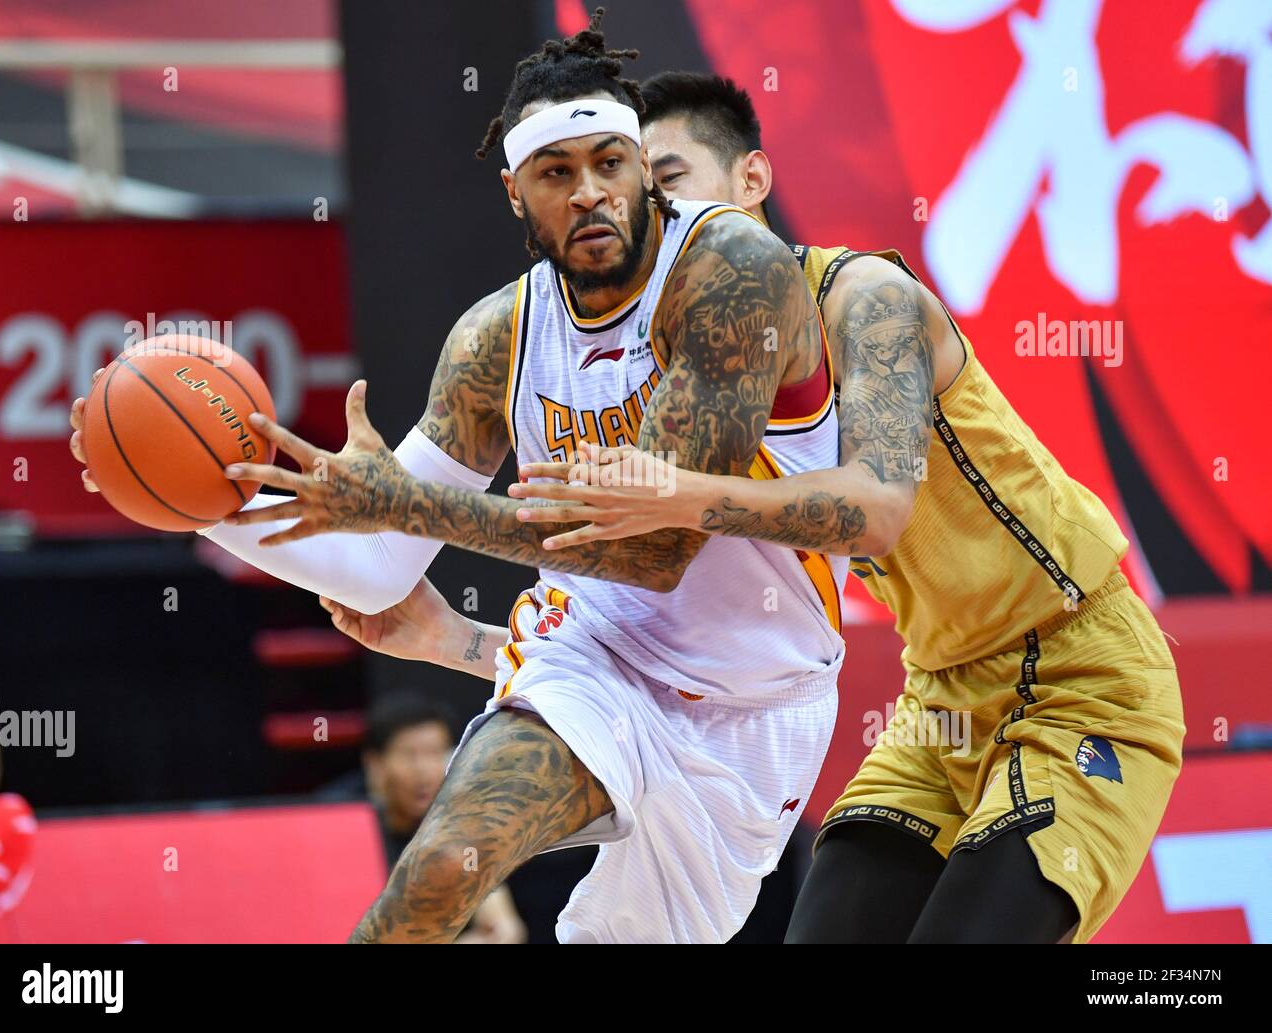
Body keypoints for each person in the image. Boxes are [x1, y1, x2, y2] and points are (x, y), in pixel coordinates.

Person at [70, 11, 848, 944]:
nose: (591, 192)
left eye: (611, 161)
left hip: (757, 708)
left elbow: (654, 550)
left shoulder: (730, 274)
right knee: (441, 869)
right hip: (590, 658)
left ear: (645, 166)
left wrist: (401, 502)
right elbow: (380, 569)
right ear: (517, 194)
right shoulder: (495, 341)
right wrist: (209, 498)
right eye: (558, 174)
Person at [499, 71, 1186, 944]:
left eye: (667, 182)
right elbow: (621, 639)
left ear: (752, 181)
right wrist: (433, 619)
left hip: (1081, 676)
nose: (646, 216)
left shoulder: (870, 301)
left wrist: (677, 494)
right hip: (939, 700)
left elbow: (876, 509)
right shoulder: (693, 382)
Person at [317, 692, 525, 944]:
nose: (423, 770)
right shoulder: (335, 821)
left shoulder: (460, 817)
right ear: (375, 763)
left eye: (435, 753)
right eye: (409, 755)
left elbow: (505, 928)